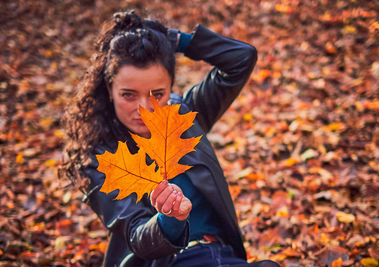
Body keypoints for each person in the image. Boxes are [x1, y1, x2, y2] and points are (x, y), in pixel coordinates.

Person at [62, 9, 280, 267]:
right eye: (128, 95)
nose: (143, 109)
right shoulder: (99, 157)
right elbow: (136, 235)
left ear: (171, 87)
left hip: (224, 255)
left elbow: (241, 58)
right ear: (109, 89)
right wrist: (170, 218)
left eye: (157, 93)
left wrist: (175, 41)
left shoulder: (184, 116)